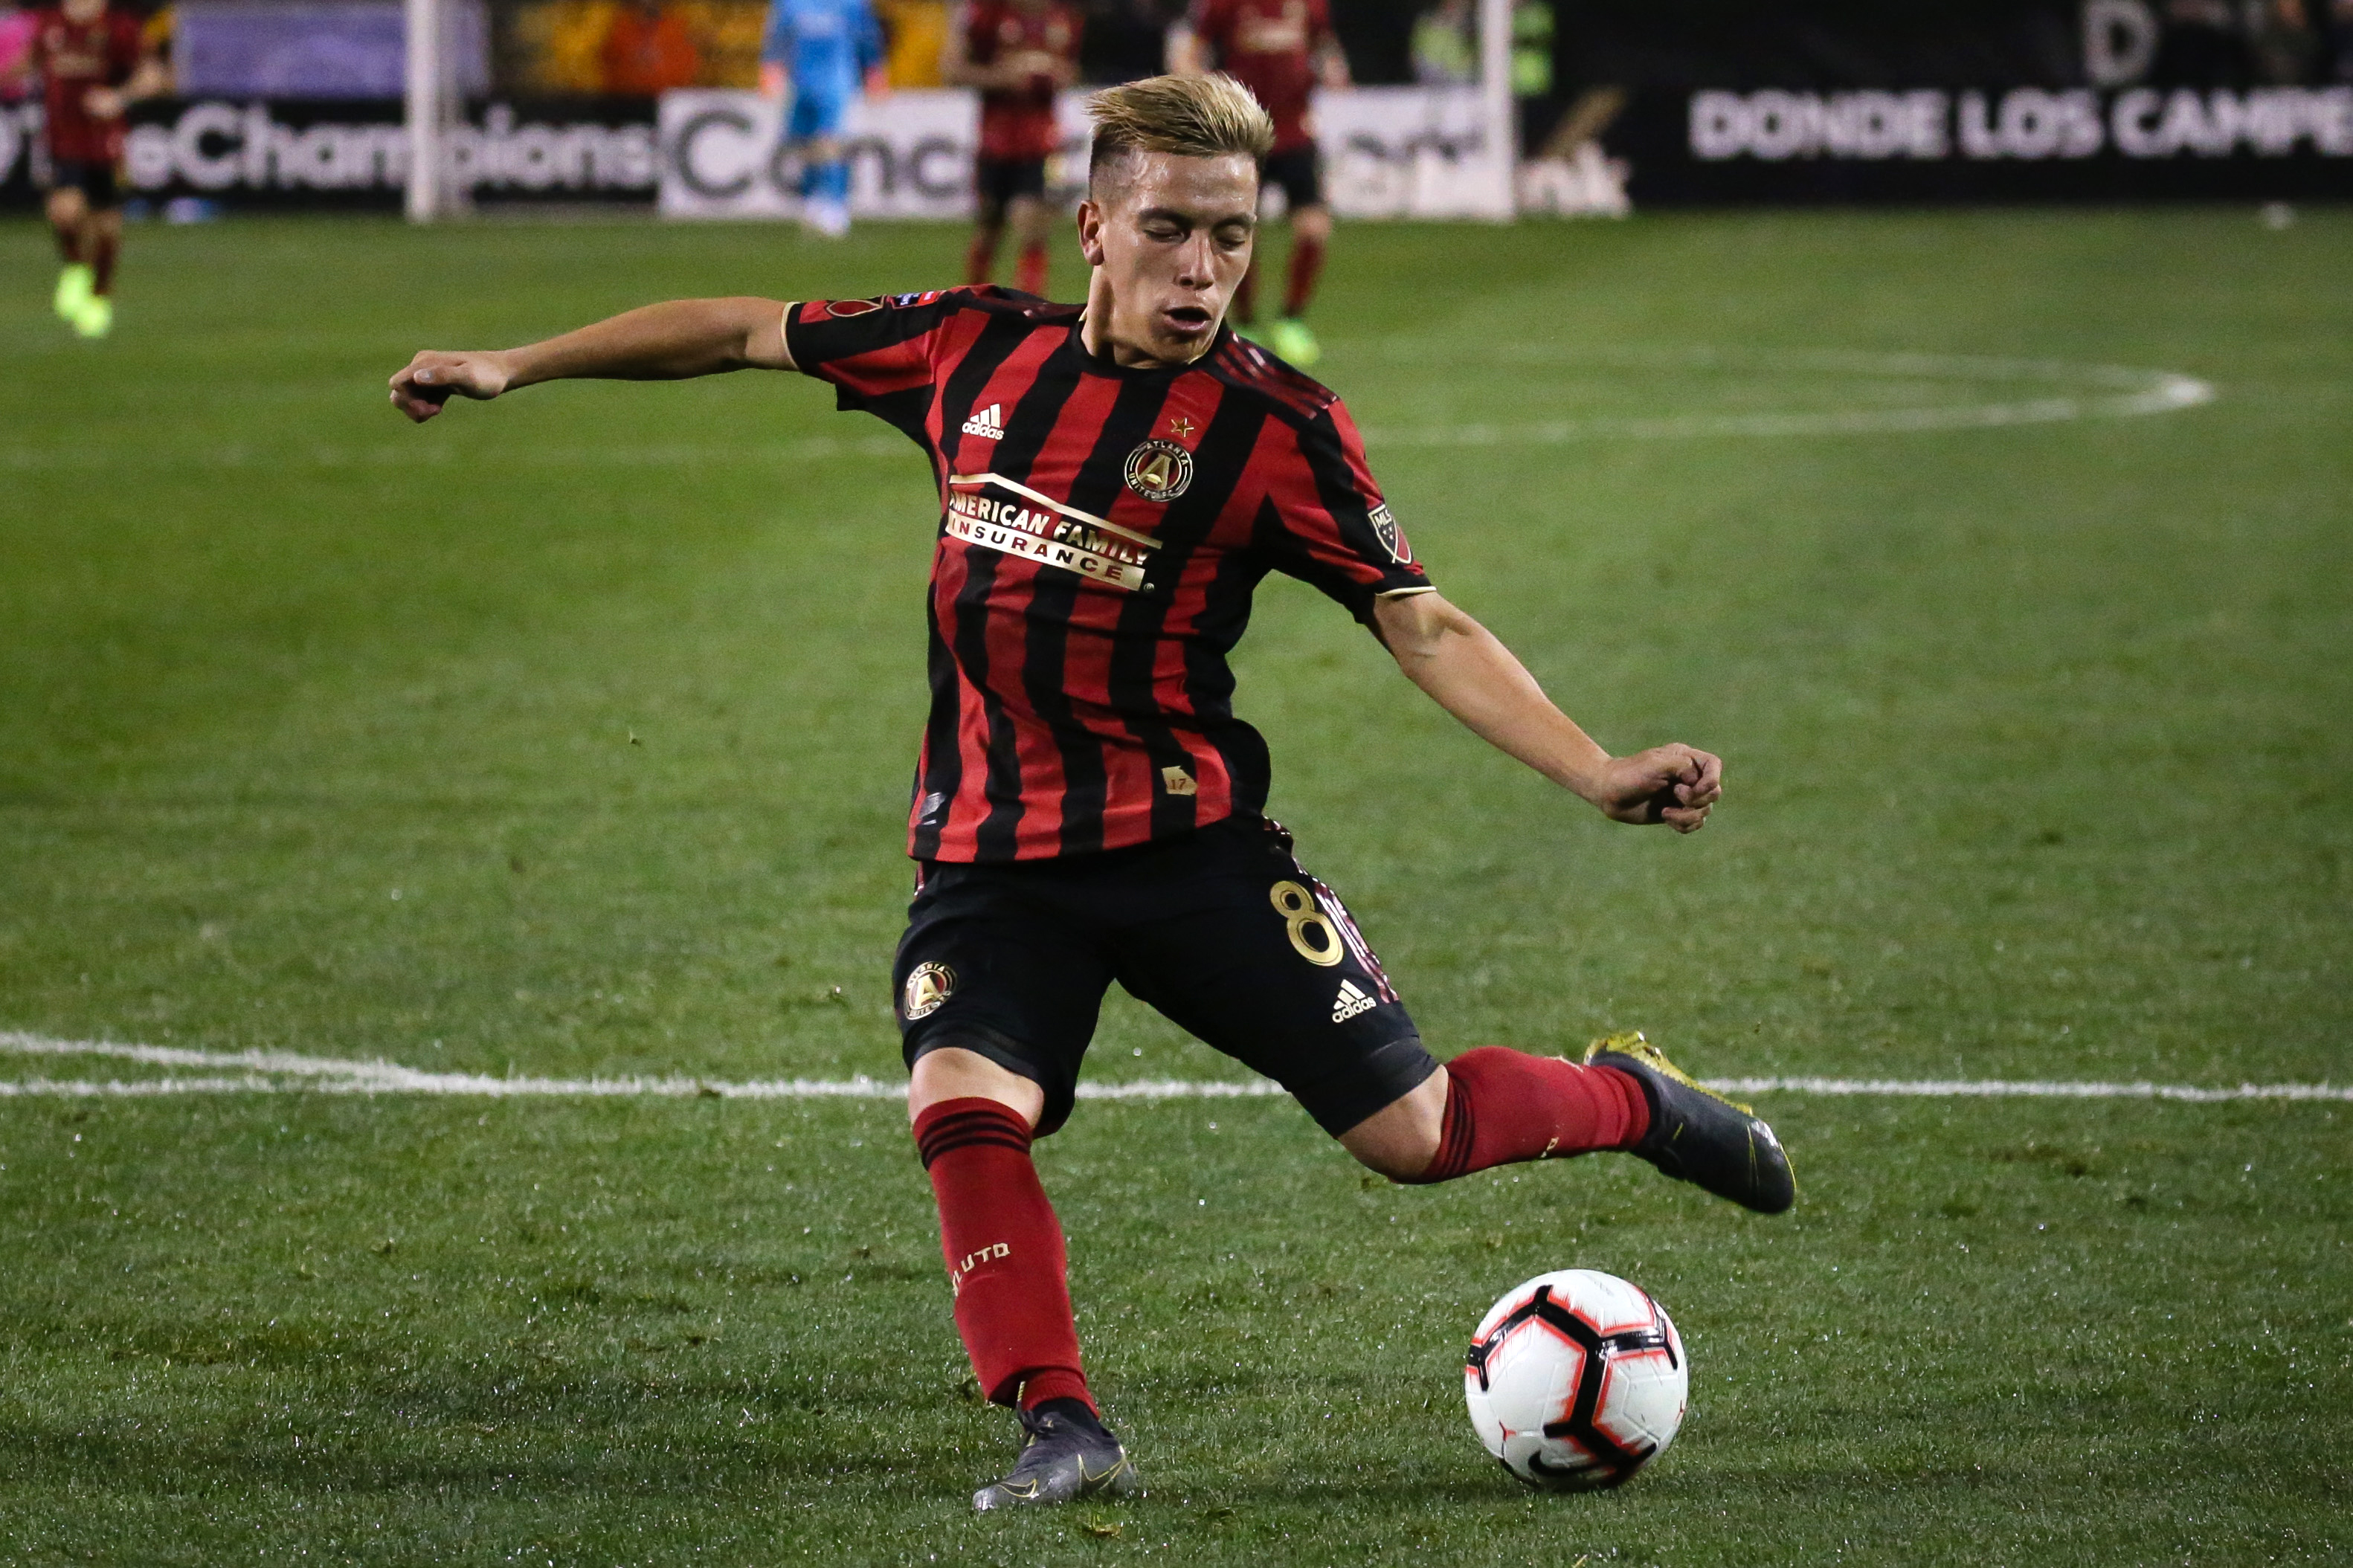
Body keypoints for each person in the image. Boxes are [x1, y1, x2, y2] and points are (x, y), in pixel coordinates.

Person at [386, 72, 1792, 1513]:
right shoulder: (967, 350)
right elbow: (748, 329)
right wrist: (519, 361)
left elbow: (1416, 617)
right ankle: (1061, 1420)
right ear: (1094, 227)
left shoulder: (1275, 428)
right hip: (993, 855)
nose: (1203, 271)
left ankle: (1633, 1098)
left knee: (1415, 1135)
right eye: (1172, 230)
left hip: (1192, 849)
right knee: (962, 1096)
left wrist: (1594, 765)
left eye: (1232, 239)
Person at [1170, 0, 1347, 366]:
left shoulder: (1310, 5)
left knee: (1314, 230)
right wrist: (1203, 91)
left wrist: (1333, 67)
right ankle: (1246, 324)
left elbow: (1324, 44)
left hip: (1296, 133)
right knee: (1240, 233)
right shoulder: (1225, 5)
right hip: (1243, 137)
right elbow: (1190, 50)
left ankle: (1291, 320)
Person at [4, 0, 165, 339]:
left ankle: (100, 294)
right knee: (64, 212)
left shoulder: (119, 28)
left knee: (107, 230)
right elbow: (28, 65)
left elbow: (153, 76)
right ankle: (76, 268)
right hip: (62, 140)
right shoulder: (49, 24)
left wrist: (118, 98)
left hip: (106, 141)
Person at [941, 0, 1081, 294]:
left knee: (1032, 223)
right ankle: (971, 303)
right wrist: (1002, 77)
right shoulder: (986, 15)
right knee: (989, 225)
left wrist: (1056, 76)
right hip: (995, 142)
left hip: (1042, 143)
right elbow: (953, 71)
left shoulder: (1063, 18)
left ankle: (1029, 308)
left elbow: (1072, 72)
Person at [761, 0, 886, 236]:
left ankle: (836, 205)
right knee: (803, 143)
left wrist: (873, 71)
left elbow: (868, 38)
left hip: (837, 80)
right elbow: (778, 36)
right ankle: (812, 200)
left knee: (831, 142)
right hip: (801, 82)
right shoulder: (789, 5)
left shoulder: (853, 4)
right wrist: (771, 67)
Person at [602, 0, 700, 96]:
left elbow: (686, 70)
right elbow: (611, 68)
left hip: (669, 100)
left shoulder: (677, 28)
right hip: (626, 102)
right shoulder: (619, 28)